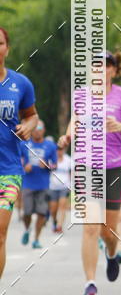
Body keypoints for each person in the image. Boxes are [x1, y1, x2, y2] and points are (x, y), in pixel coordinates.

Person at [59, 50, 121, 295]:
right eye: (96, 66)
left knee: (108, 232)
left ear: (113, 70)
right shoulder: (81, 94)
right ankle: (90, 283)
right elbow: (75, 120)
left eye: (106, 66)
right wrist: (68, 135)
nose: (101, 70)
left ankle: (112, 254)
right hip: (85, 166)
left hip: (112, 167)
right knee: (90, 227)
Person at [0, 27, 38, 279]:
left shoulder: (20, 83)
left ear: (7, 48)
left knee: (0, 233)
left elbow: (32, 116)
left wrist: (28, 127)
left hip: (8, 170)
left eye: (0, 43)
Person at [20, 120, 57, 249]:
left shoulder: (51, 146)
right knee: (27, 213)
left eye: (40, 128)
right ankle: (27, 229)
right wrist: (24, 166)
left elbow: (55, 165)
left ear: (44, 130)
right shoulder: (24, 144)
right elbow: (18, 161)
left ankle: (36, 239)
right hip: (28, 184)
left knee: (41, 213)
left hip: (43, 184)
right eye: (35, 128)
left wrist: (47, 165)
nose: (37, 130)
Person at [49, 144, 72, 232]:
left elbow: (72, 173)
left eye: (61, 149)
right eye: (58, 150)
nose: (60, 151)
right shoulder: (51, 160)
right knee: (53, 209)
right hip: (53, 187)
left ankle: (59, 225)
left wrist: (72, 185)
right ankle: (55, 222)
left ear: (64, 149)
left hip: (64, 187)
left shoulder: (68, 160)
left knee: (62, 206)